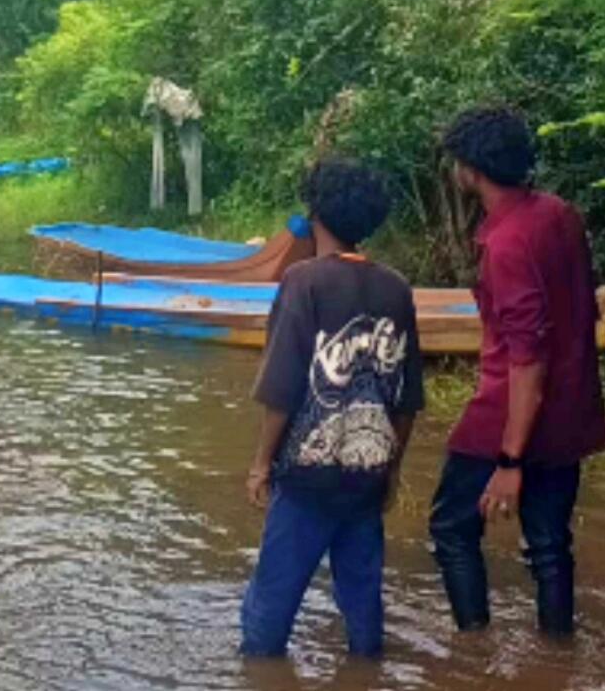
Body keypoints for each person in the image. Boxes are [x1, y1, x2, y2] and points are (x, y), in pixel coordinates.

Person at [430, 107, 603, 637]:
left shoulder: (506, 243)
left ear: (471, 170)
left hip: (509, 414)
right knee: (549, 543)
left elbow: (527, 358)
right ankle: (556, 651)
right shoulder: (559, 214)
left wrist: (509, 459)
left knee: (452, 528)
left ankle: (474, 646)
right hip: (570, 409)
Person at [241, 158, 425, 659]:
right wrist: (392, 471)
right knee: (362, 599)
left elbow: (281, 388)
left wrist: (261, 464)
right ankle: (366, 671)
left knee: (271, 602)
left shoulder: (304, 281)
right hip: (368, 472)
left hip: (308, 472)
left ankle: (257, 674)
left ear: (314, 213)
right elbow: (406, 398)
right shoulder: (397, 288)